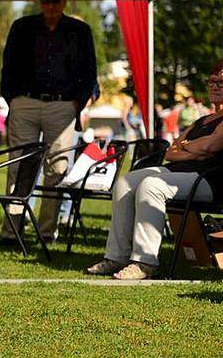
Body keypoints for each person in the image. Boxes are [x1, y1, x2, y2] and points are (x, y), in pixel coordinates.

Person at [86, 63, 223, 280]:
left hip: (209, 180)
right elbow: (171, 152)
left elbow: (208, 147)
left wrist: (189, 147)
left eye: (221, 82)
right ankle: (117, 256)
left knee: (152, 186)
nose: (215, 86)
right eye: (212, 82)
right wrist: (192, 150)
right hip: (177, 170)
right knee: (125, 182)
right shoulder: (201, 120)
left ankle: (144, 262)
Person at [0, 0, 97, 244]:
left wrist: (77, 103)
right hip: (26, 102)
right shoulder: (22, 27)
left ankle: (46, 231)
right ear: (40, 1)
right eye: (45, 0)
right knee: (18, 165)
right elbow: (8, 65)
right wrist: (13, 100)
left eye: (55, 0)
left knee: (58, 168)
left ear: (64, 1)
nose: (50, 5)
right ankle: (11, 231)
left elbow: (90, 72)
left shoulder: (80, 30)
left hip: (63, 105)